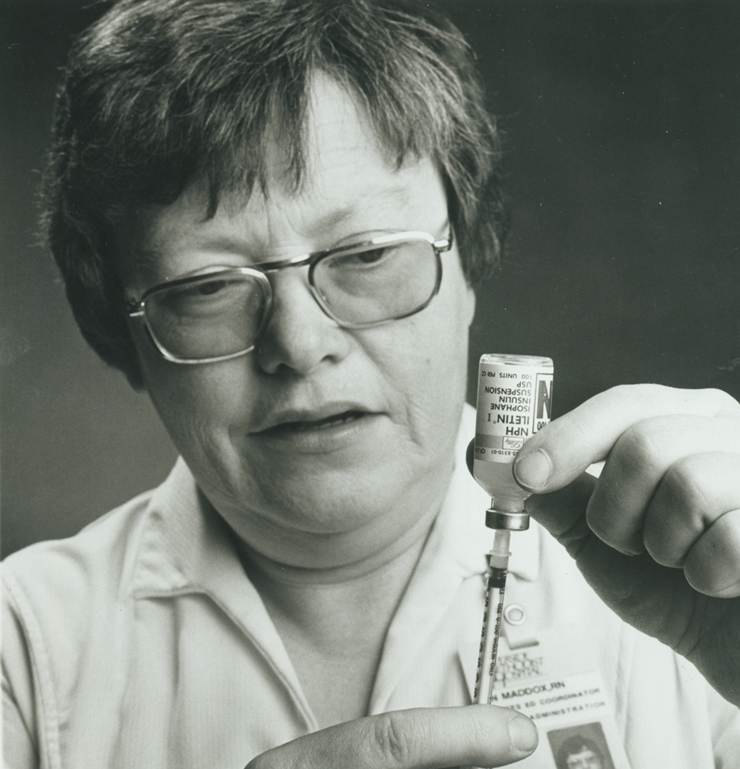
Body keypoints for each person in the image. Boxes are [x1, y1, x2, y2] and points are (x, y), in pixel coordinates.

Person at [2, 1, 739, 767]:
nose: (300, 343)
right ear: (123, 334)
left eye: (367, 255)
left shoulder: (696, 585)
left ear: (469, 264)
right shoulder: (21, 650)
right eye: (210, 286)